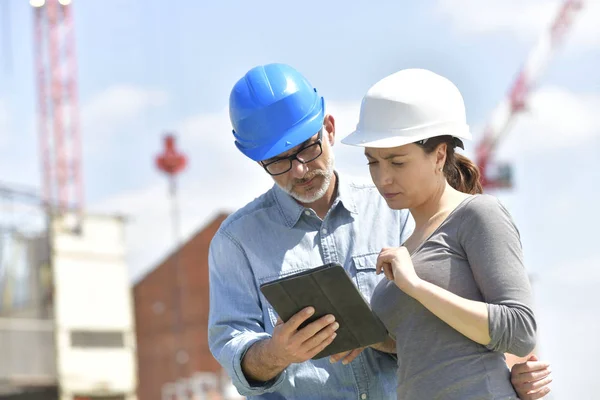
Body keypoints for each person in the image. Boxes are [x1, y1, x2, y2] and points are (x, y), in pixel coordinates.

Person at [207, 63, 552, 400]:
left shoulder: (399, 208)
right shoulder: (236, 242)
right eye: (278, 161)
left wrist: (510, 374)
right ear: (257, 161)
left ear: (328, 128)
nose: (299, 170)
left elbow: (456, 332)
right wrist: (277, 352)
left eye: (306, 149)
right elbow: (233, 348)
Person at [340, 67, 540, 399]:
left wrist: (416, 286)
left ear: (440, 155)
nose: (383, 178)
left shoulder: (478, 214)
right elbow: (428, 342)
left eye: (397, 162)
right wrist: (369, 335)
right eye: (372, 162)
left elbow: (520, 330)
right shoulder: (410, 242)